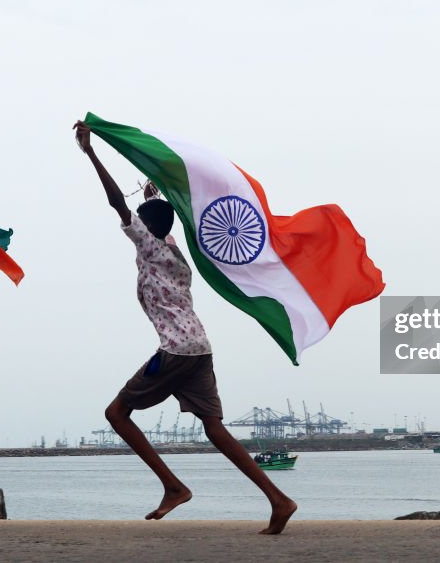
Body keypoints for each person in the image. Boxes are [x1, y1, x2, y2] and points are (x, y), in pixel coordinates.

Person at [73, 120, 297, 535]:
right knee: (214, 428)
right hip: (200, 348)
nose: (133, 227)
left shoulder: (150, 245)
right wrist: (155, 195)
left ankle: (173, 487)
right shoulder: (173, 249)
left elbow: (116, 204)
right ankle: (279, 500)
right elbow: (155, 215)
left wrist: (92, 153)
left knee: (117, 413)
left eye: (139, 223)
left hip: (176, 351)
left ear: (146, 230)